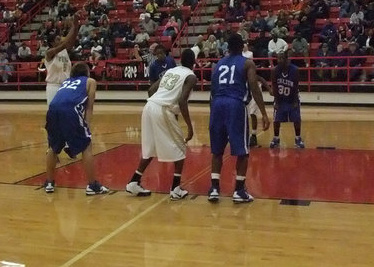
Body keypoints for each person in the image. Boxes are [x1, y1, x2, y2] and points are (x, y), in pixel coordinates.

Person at [126, 49, 197, 200]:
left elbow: (151, 89)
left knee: (150, 149)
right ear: (194, 62)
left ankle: (133, 182)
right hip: (162, 109)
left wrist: (159, 104)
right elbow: (182, 101)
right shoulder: (191, 76)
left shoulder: (171, 70)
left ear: (180, 60)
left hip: (149, 106)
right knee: (180, 147)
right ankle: (176, 189)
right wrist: (190, 128)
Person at [208, 33, 270, 203]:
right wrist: (264, 113)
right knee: (242, 151)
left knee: (217, 150)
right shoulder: (247, 63)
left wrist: (212, 111)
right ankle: (239, 191)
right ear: (242, 46)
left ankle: (214, 189)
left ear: (227, 47)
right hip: (235, 105)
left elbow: (212, 91)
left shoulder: (218, 65)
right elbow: (254, 87)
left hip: (217, 105)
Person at [43, 62, 110, 195]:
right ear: (87, 72)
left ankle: (49, 183)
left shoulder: (66, 81)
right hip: (70, 111)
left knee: (53, 147)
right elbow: (89, 107)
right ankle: (92, 185)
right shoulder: (90, 81)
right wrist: (87, 126)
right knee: (86, 146)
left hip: (52, 110)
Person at [269, 51, 304, 149]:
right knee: (276, 120)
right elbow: (275, 86)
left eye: (281, 58)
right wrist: (276, 101)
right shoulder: (274, 70)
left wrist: (294, 101)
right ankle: (276, 138)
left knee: (296, 119)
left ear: (286, 59)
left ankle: (298, 138)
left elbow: (295, 87)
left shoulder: (295, 70)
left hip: (292, 97)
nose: (279, 60)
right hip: (280, 98)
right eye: (278, 58)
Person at [42, 17, 78, 102]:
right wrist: (73, 26)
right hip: (54, 86)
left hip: (66, 85)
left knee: (67, 111)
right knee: (54, 112)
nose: (61, 40)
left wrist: (76, 26)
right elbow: (65, 43)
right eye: (58, 39)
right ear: (52, 43)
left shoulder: (64, 51)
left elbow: (71, 40)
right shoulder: (49, 53)